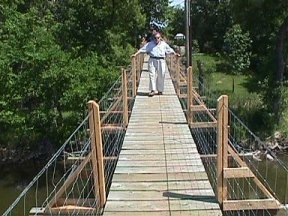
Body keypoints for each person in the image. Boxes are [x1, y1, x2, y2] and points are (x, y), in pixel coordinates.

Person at [135, 32, 180, 97]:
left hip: (161, 60)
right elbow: (143, 49)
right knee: (152, 74)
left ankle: (160, 90)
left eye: (158, 38)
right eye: (155, 38)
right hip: (152, 60)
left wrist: (175, 54)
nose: (157, 39)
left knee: (161, 74)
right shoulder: (150, 44)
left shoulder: (164, 44)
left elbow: (169, 50)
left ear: (160, 38)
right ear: (153, 38)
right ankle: (153, 90)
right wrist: (136, 54)